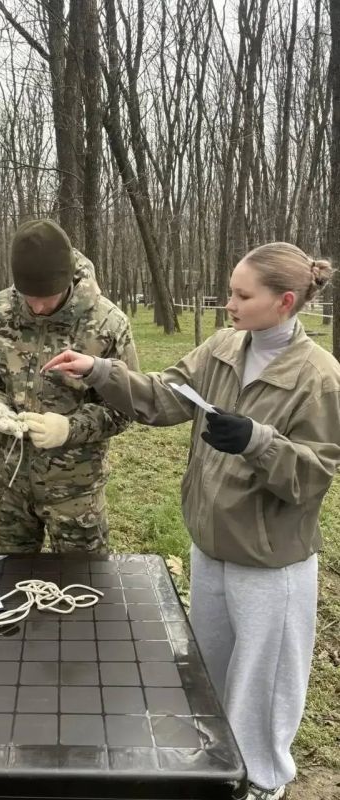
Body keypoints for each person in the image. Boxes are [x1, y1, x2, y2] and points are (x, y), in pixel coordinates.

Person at [43, 242, 340, 800]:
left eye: (242, 295)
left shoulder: (318, 377)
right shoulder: (224, 346)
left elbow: (314, 475)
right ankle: (218, 762)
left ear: (285, 302)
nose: (230, 304)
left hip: (268, 559)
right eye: (230, 292)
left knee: (263, 678)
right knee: (211, 663)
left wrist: (257, 441)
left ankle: (262, 778)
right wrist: (100, 371)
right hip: (210, 542)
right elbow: (165, 395)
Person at [0, 218, 138, 554]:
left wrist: (69, 428)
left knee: (83, 583)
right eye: (28, 296)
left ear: (68, 280)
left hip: (76, 493)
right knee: (11, 580)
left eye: (48, 297)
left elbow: (125, 407)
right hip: (10, 488)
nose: (38, 307)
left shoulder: (107, 323)